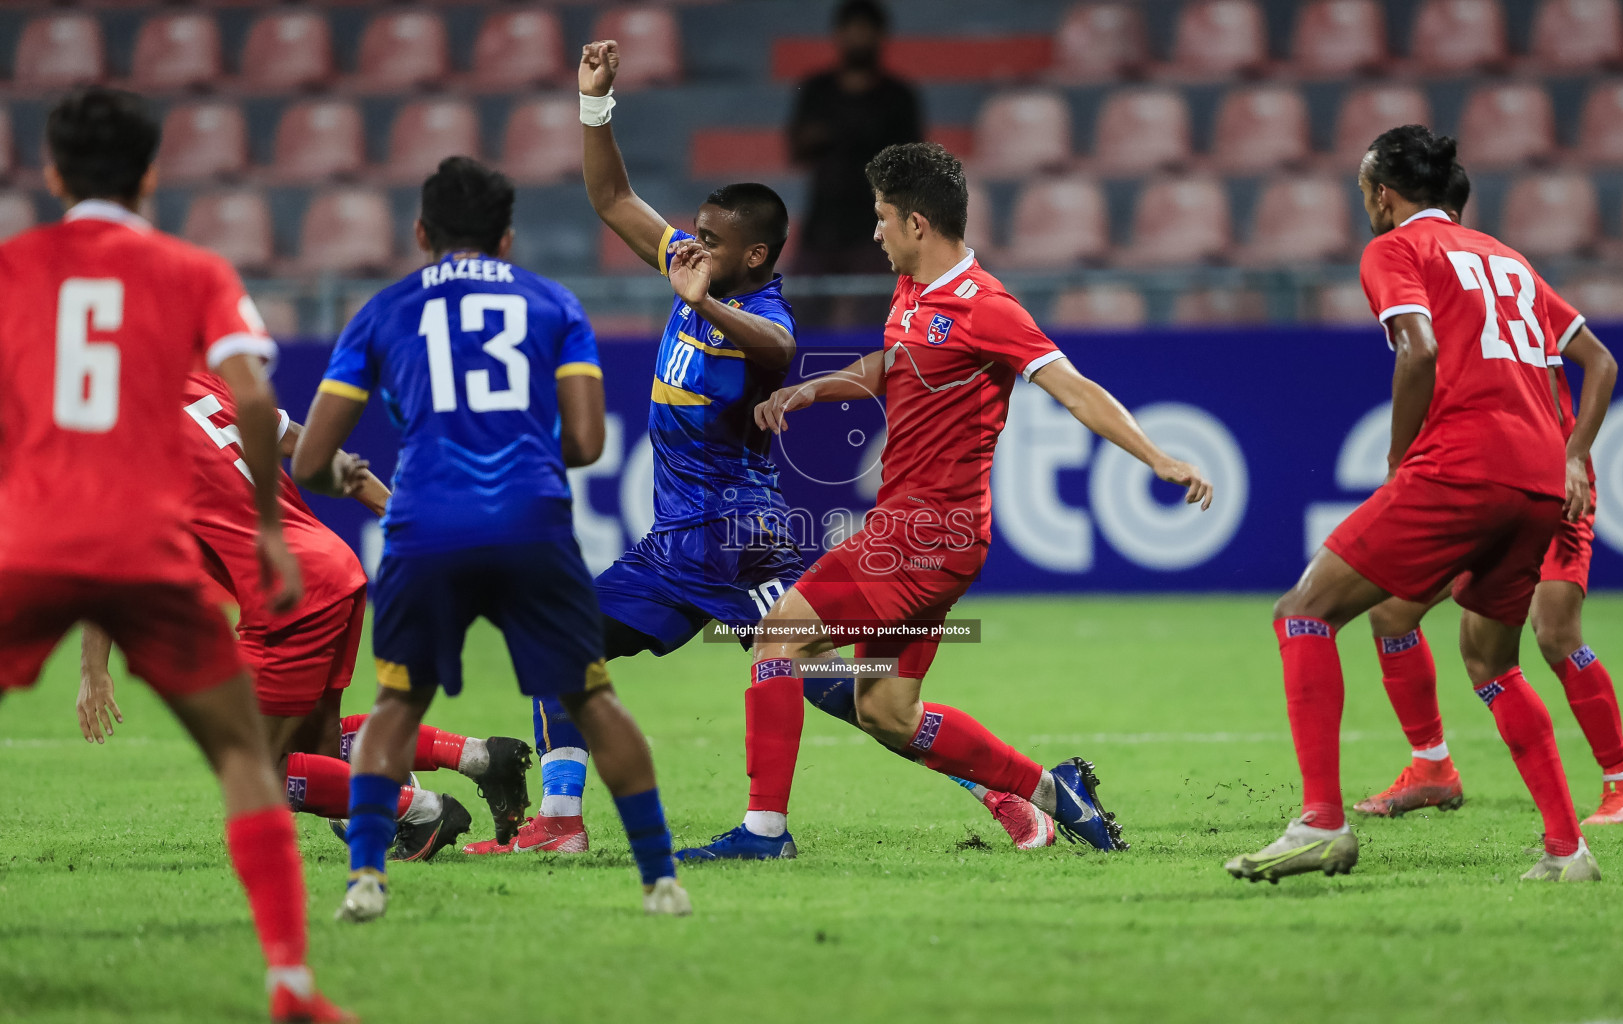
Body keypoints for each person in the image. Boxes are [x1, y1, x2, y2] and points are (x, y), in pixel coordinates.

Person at [463, 41, 1054, 859]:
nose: (692, 248)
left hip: (746, 541)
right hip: (675, 546)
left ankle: (1004, 793)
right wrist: (594, 102)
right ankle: (561, 822)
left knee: (840, 689)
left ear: (756, 257)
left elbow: (775, 354)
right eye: (693, 236)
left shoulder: (764, 315)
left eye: (712, 240)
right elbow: (611, 197)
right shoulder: (689, 266)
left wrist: (707, 305)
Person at [681, 141, 1214, 861]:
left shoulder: (986, 307)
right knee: (888, 713)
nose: (874, 232)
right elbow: (893, 363)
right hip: (929, 537)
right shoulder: (911, 292)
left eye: (882, 218)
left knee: (779, 636)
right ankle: (1053, 791)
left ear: (918, 224)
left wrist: (1158, 458)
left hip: (926, 535)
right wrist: (815, 388)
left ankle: (763, 833)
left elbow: (1075, 389)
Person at [0, 87, 351, 1022]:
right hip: (148, 551)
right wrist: (273, 529)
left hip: (29, 542)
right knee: (243, 756)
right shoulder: (192, 271)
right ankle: (289, 981)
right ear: (152, 174)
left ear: (50, 174)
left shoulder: (13, 268)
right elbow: (249, 395)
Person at [292, 156, 691, 919]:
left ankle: (368, 879)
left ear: (419, 232)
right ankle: (660, 878)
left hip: (425, 527)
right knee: (594, 699)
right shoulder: (553, 303)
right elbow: (583, 443)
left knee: (394, 707)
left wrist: (349, 474)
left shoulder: (382, 312)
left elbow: (310, 461)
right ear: (507, 239)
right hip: (530, 523)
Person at [1225, 125, 1598, 885]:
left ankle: (1321, 824)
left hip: (1465, 465)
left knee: (1303, 610)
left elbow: (1418, 349)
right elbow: (1586, 359)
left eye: (1365, 192)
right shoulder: (1506, 257)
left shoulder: (1394, 249)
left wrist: (1401, 458)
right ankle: (1568, 851)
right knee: (1493, 661)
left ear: (1383, 194)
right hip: (1540, 477)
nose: (1365, 205)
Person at [75, 370, 536, 863]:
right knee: (321, 745)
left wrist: (93, 670)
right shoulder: (199, 385)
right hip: (335, 568)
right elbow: (314, 449)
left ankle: (421, 811)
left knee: (256, 766)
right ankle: (480, 757)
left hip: (286, 597)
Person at [1354, 170, 1623, 825]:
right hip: (1480, 476)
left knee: (1554, 632)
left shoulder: (1489, 271)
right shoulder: (1485, 276)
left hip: (1544, 475)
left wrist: (1574, 455)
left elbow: (1600, 361)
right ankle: (1431, 766)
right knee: (1393, 611)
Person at [788, 0, 922, 324]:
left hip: (877, 228)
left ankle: (872, 377)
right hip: (822, 226)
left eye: (866, 30)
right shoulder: (817, 90)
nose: (858, 38)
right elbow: (797, 149)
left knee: (876, 322)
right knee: (800, 321)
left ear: (880, 36)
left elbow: (911, 164)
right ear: (839, 35)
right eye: (852, 30)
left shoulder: (899, 97)